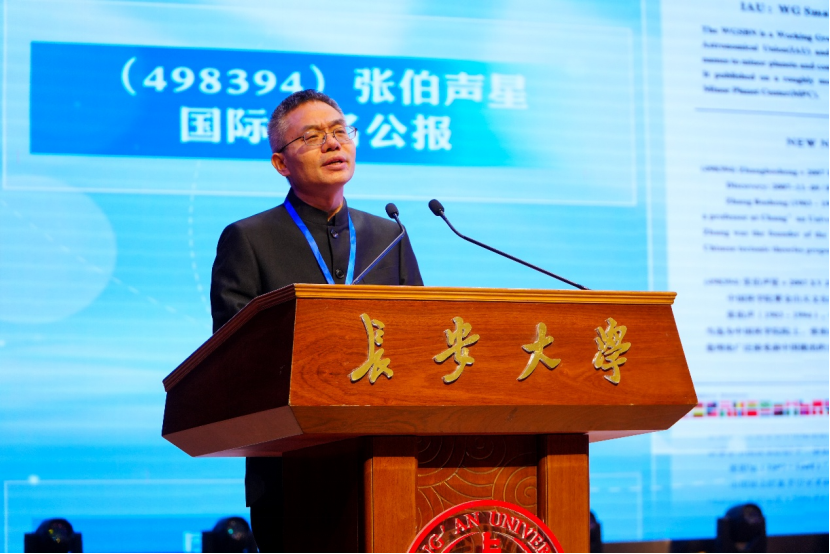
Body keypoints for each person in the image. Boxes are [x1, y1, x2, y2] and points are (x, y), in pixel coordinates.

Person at [210, 89, 423, 552]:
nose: (332, 143)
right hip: (290, 469)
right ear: (280, 163)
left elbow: (419, 342)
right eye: (311, 136)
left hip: (389, 459)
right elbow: (234, 357)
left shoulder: (390, 235)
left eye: (339, 131)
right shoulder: (248, 239)